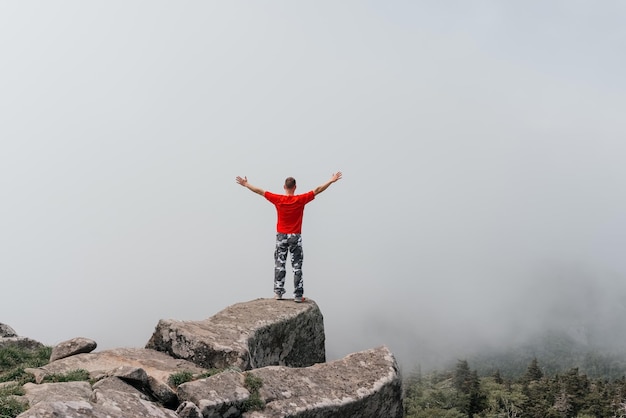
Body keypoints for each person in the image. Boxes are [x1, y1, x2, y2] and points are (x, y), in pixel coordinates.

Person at [235, 172, 342, 302]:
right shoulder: (300, 199)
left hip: (281, 235)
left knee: (280, 264)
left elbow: (260, 191)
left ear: (284, 187)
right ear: (295, 187)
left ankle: (278, 292)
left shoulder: (278, 199)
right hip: (295, 236)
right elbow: (318, 190)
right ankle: (297, 295)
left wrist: (246, 184)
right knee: (297, 266)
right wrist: (331, 180)